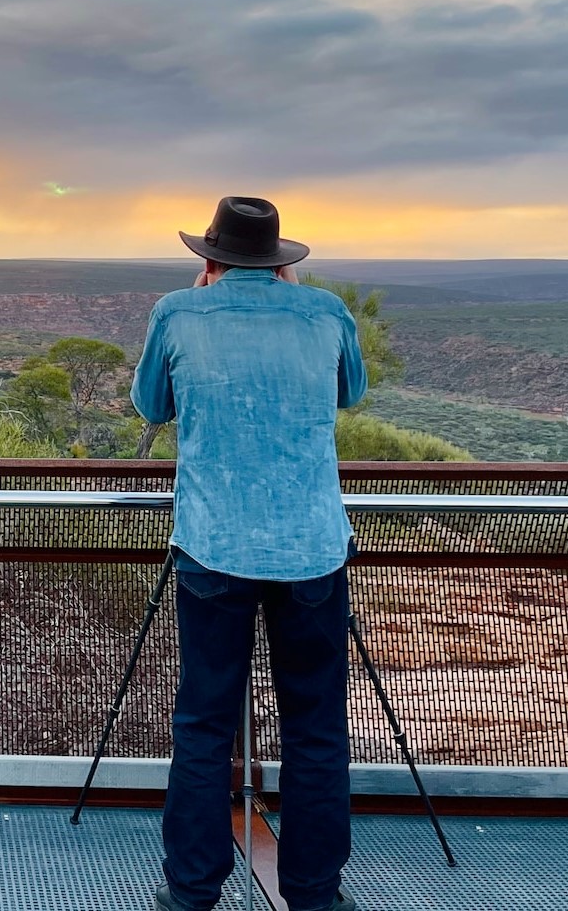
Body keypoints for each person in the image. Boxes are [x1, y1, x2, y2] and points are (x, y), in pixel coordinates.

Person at [131, 195, 366, 911]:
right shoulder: (324, 312)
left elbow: (151, 405)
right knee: (317, 727)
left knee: (203, 725)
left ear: (209, 258)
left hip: (212, 548)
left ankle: (192, 894)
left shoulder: (178, 312)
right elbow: (349, 391)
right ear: (281, 261)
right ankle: (313, 895)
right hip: (312, 553)